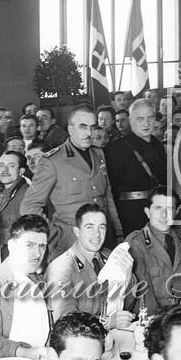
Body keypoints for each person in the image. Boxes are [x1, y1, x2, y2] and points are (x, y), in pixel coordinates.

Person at [23, 104, 118, 257]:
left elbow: (108, 198)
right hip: (70, 241)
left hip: (104, 237)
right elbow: (29, 205)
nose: (89, 133)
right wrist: (53, 234)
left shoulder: (99, 154)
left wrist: (118, 232)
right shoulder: (53, 160)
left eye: (92, 127)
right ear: (71, 129)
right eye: (83, 127)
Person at [0, 214, 54, 360]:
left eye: (42, 246)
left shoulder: (39, 282)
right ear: (12, 246)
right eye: (29, 245)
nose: (37, 254)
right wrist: (26, 352)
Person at [105, 97, 170, 236]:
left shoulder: (158, 145)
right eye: (140, 118)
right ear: (130, 120)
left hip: (157, 210)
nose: (146, 123)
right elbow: (110, 190)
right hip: (130, 214)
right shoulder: (116, 148)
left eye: (150, 118)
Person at [47, 202, 114, 319]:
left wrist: (127, 276)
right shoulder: (60, 268)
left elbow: (127, 302)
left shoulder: (110, 258)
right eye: (89, 227)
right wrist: (108, 322)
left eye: (101, 227)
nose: (97, 234)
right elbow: (65, 320)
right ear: (77, 231)